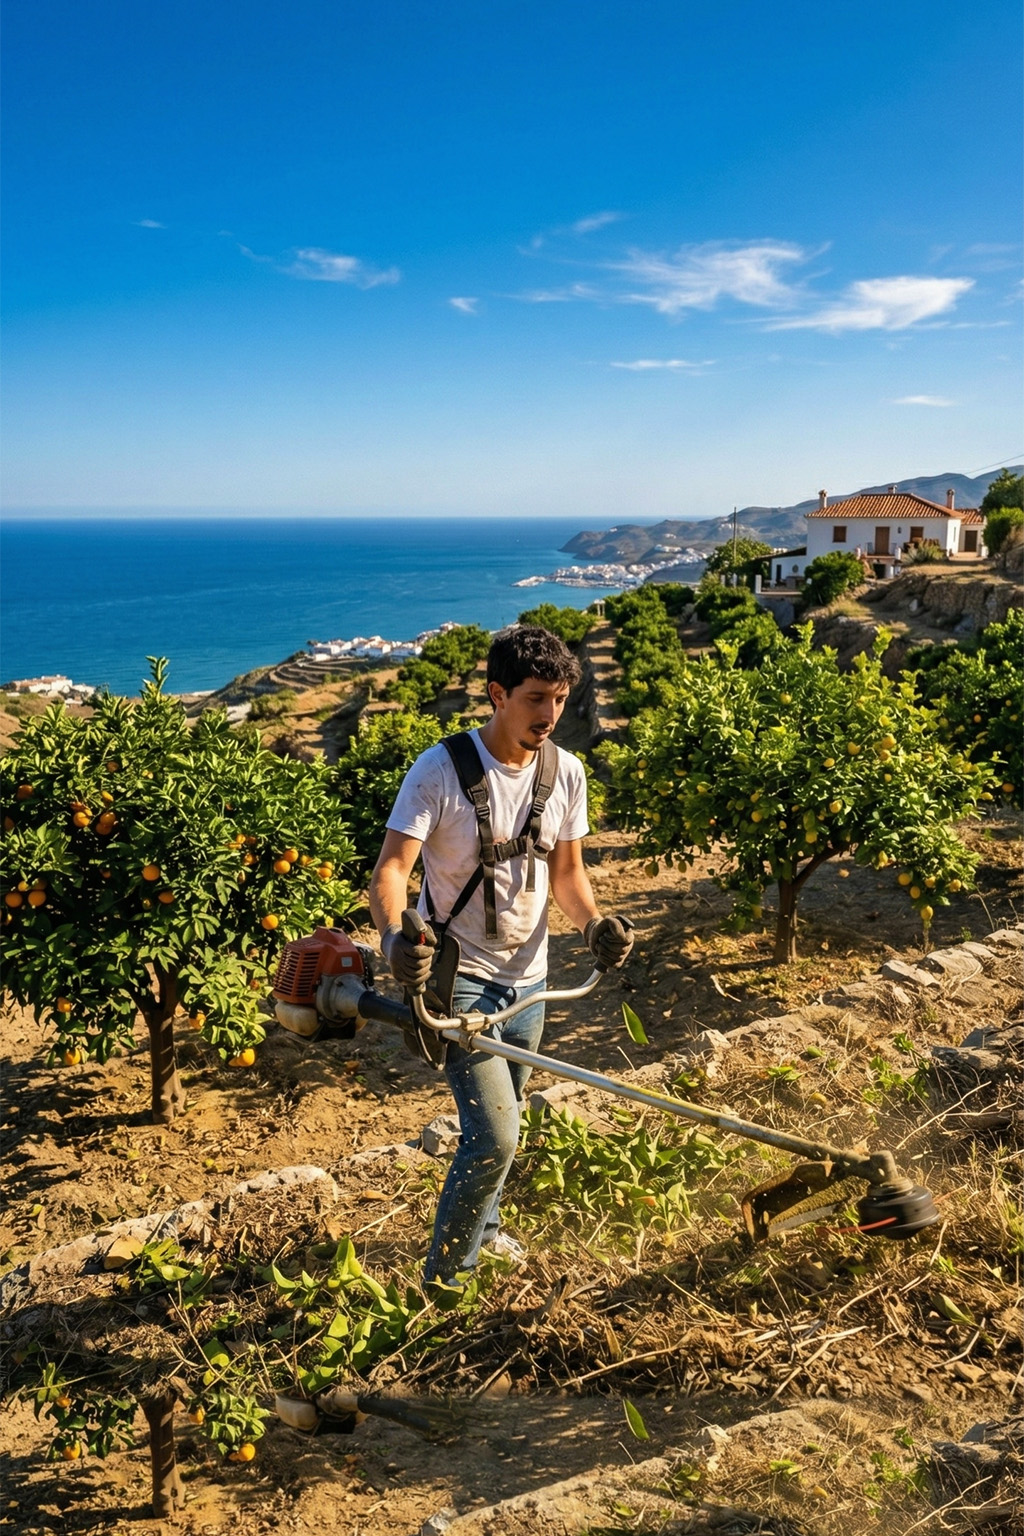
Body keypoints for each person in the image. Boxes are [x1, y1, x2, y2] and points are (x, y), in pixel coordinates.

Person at [369, 624, 634, 1285]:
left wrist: (594, 926)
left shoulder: (565, 772)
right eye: (536, 698)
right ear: (497, 694)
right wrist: (397, 939)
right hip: (458, 979)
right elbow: (390, 873)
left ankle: (483, 1235)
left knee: (506, 1121)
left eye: (561, 700)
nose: (550, 715)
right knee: (495, 1137)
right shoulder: (440, 771)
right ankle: (445, 1284)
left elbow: (568, 876)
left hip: (531, 984)